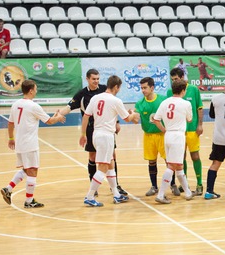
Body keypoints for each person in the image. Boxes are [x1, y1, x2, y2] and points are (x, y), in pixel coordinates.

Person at [59, 69, 128, 196]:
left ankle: (115, 186)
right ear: (87, 79)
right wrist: (58, 115)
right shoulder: (82, 94)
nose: (96, 81)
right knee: (93, 157)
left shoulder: (104, 89)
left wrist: (117, 122)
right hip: (91, 129)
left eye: (97, 79)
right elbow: (68, 107)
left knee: (112, 156)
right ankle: (93, 187)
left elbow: (113, 108)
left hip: (107, 128)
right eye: (93, 79)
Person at [0, 79, 66, 208]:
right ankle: (29, 202)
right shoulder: (33, 106)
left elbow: (10, 123)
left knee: (26, 169)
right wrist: (58, 117)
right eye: (35, 89)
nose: (36, 91)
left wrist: (11, 138)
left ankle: (8, 189)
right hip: (29, 144)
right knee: (33, 171)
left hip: (19, 143)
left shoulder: (16, 104)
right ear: (30, 91)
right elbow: (49, 121)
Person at [80, 75, 139, 207]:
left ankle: (116, 194)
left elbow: (86, 116)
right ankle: (89, 196)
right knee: (102, 167)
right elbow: (128, 119)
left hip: (96, 134)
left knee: (110, 164)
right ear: (116, 87)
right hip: (106, 136)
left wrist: (83, 134)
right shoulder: (115, 100)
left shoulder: (96, 98)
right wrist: (134, 113)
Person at [134, 77, 180, 197]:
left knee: (169, 161)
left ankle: (173, 184)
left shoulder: (162, 100)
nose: (143, 90)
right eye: (141, 88)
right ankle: (154, 186)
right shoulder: (140, 103)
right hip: (149, 136)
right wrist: (131, 115)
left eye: (145, 88)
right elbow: (136, 118)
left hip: (162, 135)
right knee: (151, 161)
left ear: (152, 88)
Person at [153, 80, 195, 204]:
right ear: (183, 90)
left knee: (178, 165)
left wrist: (165, 130)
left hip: (168, 135)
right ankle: (161, 195)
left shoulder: (164, 102)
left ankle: (187, 192)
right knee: (172, 166)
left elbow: (156, 120)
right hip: (178, 136)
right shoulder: (186, 103)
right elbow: (190, 119)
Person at [167, 68, 204, 195]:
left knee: (195, 156)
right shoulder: (170, 92)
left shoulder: (193, 89)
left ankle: (199, 184)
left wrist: (199, 125)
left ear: (182, 77)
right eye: (172, 80)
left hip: (192, 129)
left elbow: (199, 108)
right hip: (178, 132)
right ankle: (185, 184)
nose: (174, 82)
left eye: (176, 79)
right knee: (180, 158)